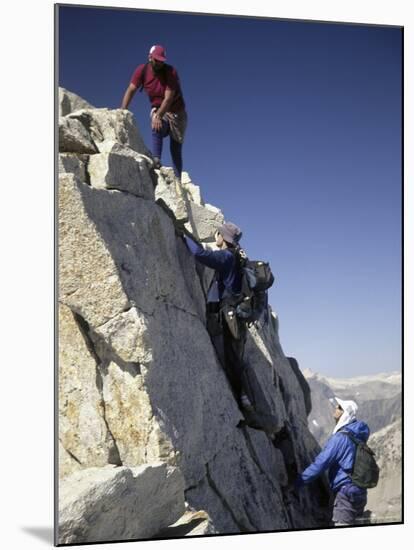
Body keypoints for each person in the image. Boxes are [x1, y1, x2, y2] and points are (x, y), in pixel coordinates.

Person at [182, 222, 253, 411]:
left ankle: (242, 400)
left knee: (231, 358)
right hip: (237, 311)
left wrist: (183, 236)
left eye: (218, 234)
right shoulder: (238, 256)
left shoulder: (226, 256)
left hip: (229, 312)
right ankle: (244, 398)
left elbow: (200, 255)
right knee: (234, 356)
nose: (216, 237)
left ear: (223, 237)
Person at [295, 397, 370, 527]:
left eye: (339, 407)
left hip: (345, 493)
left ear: (345, 414)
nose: (336, 408)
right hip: (360, 491)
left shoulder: (340, 438)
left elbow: (320, 464)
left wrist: (298, 482)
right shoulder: (358, 435)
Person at [120, 44, 187, 181]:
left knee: (175, 149)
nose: (159, 63)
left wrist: (159, 115)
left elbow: (168, 99)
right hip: (159, 109)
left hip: (177, 113)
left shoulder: (170, 72)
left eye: (162, 61)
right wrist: (122, 111)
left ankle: (178, 180)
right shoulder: (142, 71)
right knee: (157, 124)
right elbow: (131, 90)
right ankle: (156, 160)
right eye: (157, 60)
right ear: (150, 58)